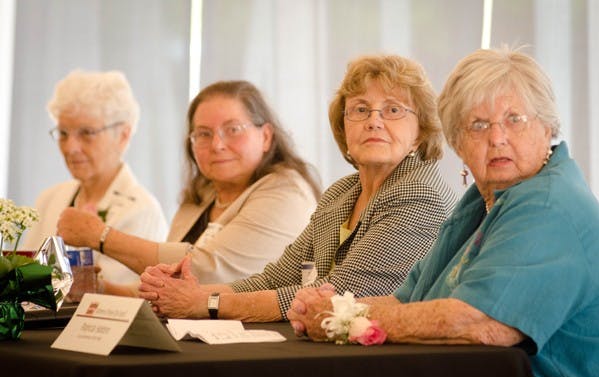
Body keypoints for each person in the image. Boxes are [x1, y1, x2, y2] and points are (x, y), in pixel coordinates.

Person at [287, 47, 599, 377]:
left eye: (515, 119)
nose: (497, 137)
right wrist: (339, 311)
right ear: (457, 143)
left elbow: (480, 322)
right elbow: (409, 300)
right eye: (478, 125)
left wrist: (338, 323)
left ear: (548, 128)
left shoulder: (549, 205)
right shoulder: (482, 202)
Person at [138, 54, 458, 321]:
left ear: (419, 132)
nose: (374, 121)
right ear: (343, 127)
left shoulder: (420, 193)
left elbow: (342, 292)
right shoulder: (341, 193)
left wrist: (203, 304)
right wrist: (194, 294)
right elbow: (278, 277)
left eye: (393, 110)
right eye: (360, 109)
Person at [56, 80, 320, 295]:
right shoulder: (202, 195)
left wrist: (100, 236)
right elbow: (164, 289)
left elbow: (208, 271)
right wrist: (99, 289)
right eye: (203, 134)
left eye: (233, 129)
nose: (217, 144)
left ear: (265, 136)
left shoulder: (287, 192)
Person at [23, 70, 168, 291]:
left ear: (123, 135)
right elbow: (23, 277)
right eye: (63, 133)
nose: (70, 147)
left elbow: (112, 304)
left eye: (87, 133)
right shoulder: (50, 198)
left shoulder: (141, 211)